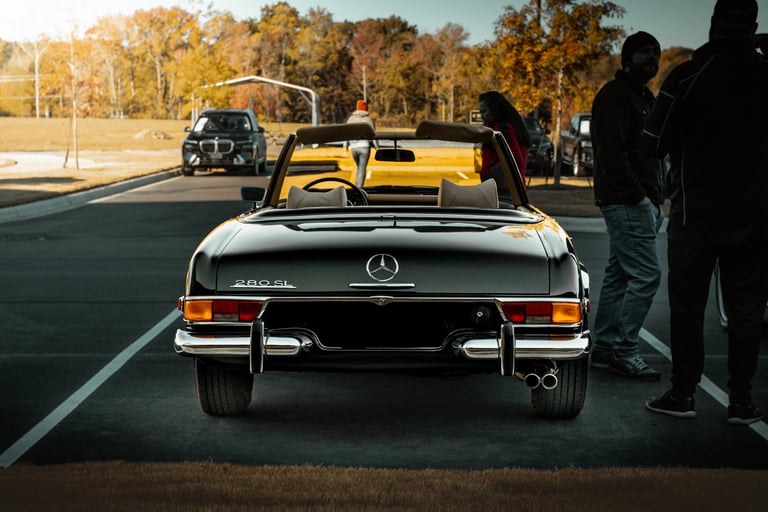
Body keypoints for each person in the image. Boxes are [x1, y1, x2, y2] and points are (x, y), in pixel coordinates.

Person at [643, 0, 768, 424]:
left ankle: (683, 394)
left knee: (687, 309)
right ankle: (741, 401)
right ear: (753, 26)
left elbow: (653, 142)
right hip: (755, 218)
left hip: (694, 216)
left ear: (713, 24)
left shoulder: (687, 76)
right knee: (746, 311)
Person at [589, 31, 666, 380]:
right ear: (626, 58)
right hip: (626, 200)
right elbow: (611, 154)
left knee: (619, 274)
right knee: (647, 275)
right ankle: (625, 350)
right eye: (644, 52)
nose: (652, 59)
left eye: (656, 54)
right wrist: (639, 197)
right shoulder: (614, 96)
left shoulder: (645, 97)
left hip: (642, 199)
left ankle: (605, 349)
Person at [478, 91, 531, 191]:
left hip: (505, 189)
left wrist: (489, 174)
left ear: (495, 110)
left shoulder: (503, 129)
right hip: (508, 187)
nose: (482, 116)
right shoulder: (502, 127)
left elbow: (514, 158)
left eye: (484, 111)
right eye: (480, 112)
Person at [345, 100, 376, 187]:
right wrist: (374, 145)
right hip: (365, 146)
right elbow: (372, 134)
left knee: (359, 167)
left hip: (354, 147)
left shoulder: (351, 119)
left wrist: (347, 145)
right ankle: (359, 187)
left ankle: (357, 184)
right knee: (362, 168)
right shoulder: (368, 119)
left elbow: (346, 132)